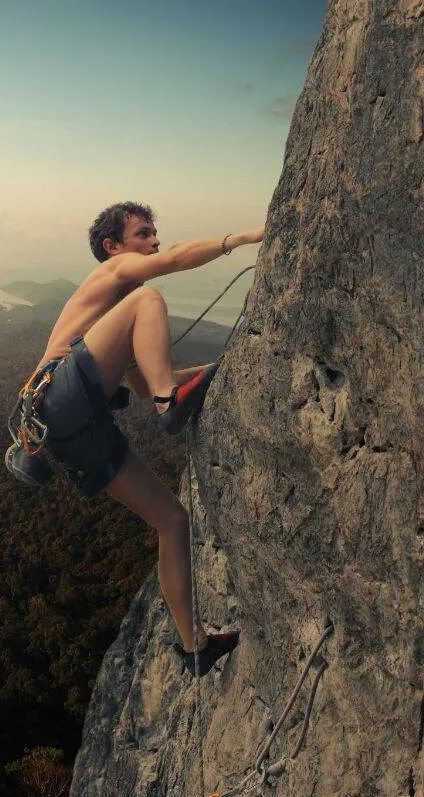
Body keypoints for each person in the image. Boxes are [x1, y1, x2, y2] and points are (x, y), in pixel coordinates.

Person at [23, 201, 263, 676]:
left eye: (155, 234)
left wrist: (222, 370)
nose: (154, 241)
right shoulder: (115, 275)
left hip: (69, 432)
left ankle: (194, 646)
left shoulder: (115, 325)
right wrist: (247, 236)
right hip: (61, 396)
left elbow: (144, 381)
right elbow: (175, 260)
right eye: (143, 234)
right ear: (114, 247)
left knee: (173, 520)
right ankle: (170, 404)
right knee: (149, 299)